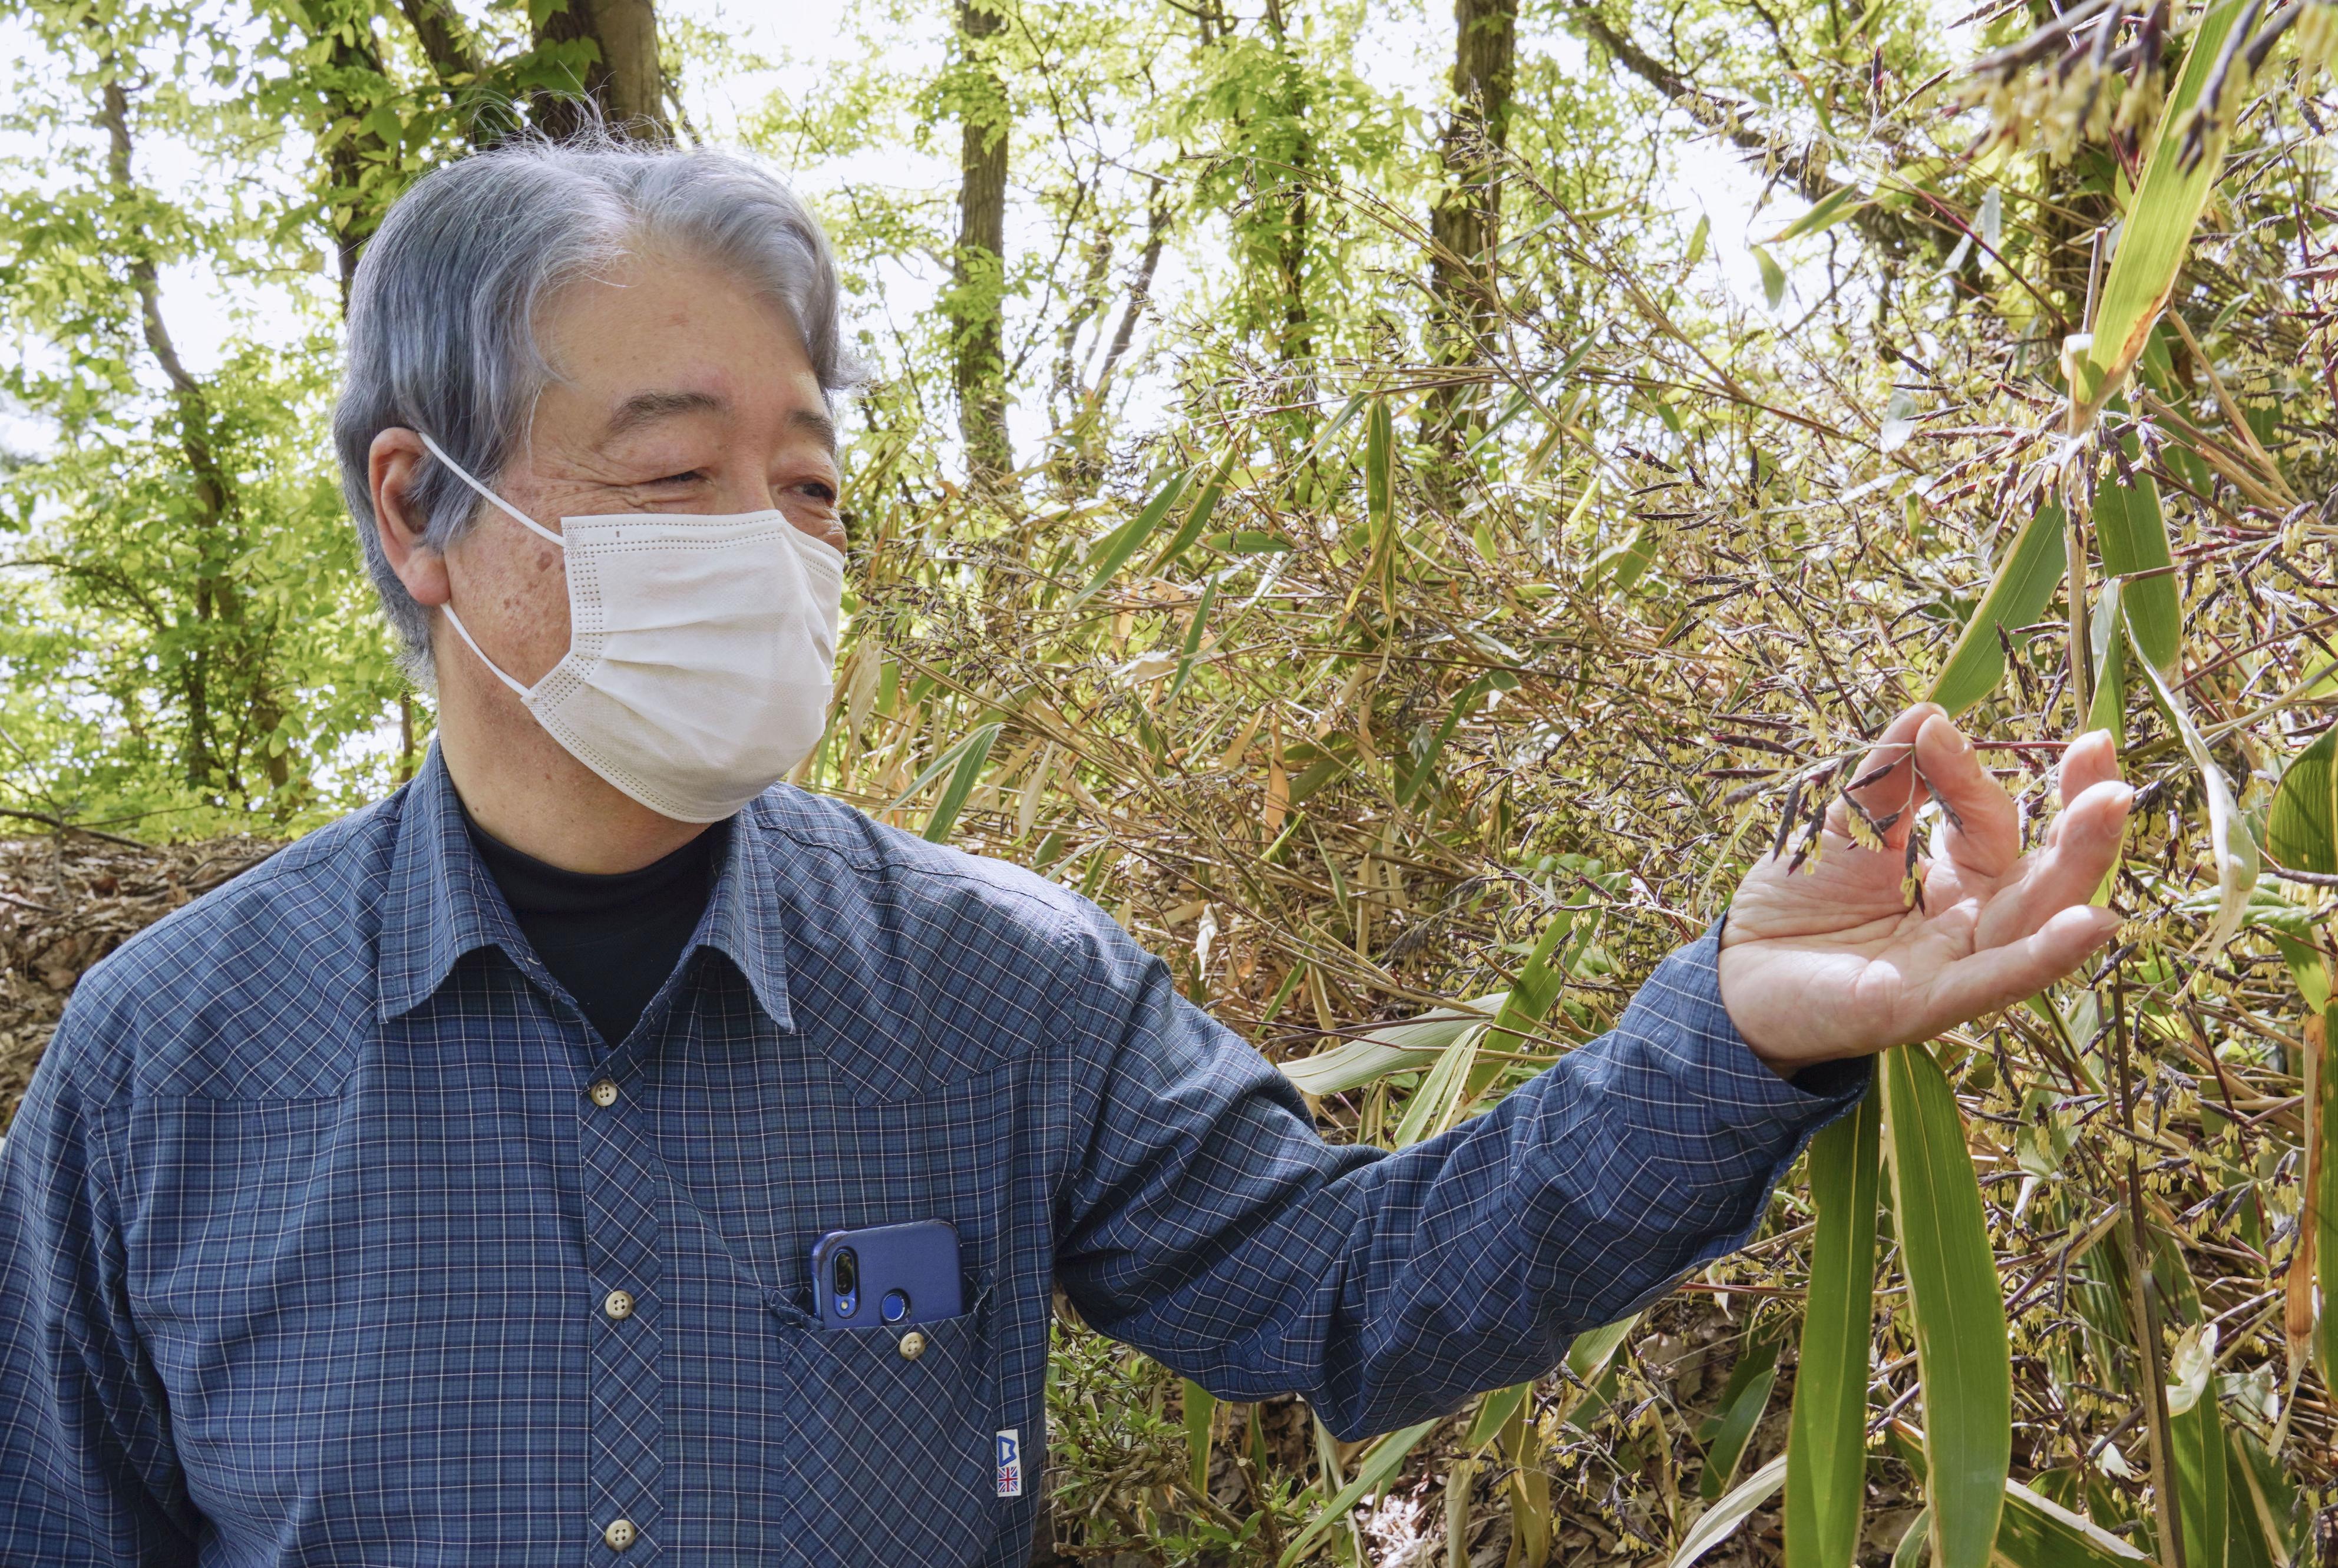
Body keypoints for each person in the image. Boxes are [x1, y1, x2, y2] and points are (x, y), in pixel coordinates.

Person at [0, 136, 2132, 1567]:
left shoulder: (994, 991)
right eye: (674, 473)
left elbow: (1359, 1298)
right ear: (418, 508)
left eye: (809, 485)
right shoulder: (163, 1064)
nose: (766, 544)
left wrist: (1739, 1028)